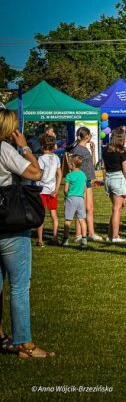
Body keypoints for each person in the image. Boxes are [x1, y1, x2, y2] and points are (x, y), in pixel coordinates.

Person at [0, 109, 53, 358]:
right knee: (20, 285)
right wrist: (24, 148)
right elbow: (36, 173)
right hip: (9, 222)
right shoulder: (5, 149)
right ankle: (25, 344)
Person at [70, 127, 100, 241]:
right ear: (86, 136)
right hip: (81, 181)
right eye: (90, 135)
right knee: (81, 207)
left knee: (90, 207)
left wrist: (93, 151)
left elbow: (92, 164)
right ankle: (78, 234)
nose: (91, 137)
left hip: (87, 180)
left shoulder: (85, 149)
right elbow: (74, 166)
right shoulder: (77, 149)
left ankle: (91, 233)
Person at [103, 129, 126, 243]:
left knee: (115, 208)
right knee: (117, 209)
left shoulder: (105, 150)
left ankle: (110, 235)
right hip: (118, 178)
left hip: (108, 178)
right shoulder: (121, 151)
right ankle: (115, 236)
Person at [35, 134, 61, 247]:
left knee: (41, 215)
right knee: (54, 215)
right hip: (52, 190)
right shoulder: (56, 157)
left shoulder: (41, 158)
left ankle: (40, 240)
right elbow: (59, 174)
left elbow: (38, 174)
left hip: (41, 190)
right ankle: (55, 238)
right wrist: (57, 188)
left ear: (42, 146)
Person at [62, 154, 88, 247]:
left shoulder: (69, 175)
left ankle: (65, 240)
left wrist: (66, 196)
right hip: (80, 199)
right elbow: (85, 188)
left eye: (68, 162)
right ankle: (84, 239)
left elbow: (65, 190)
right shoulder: (83, 175)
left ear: (72, 164)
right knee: (82, 220)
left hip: (71, 198)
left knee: (68, 220)